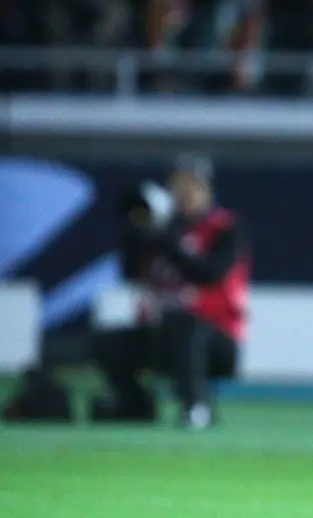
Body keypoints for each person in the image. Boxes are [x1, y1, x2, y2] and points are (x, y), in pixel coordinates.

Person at [90, 154, 251, 430]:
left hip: (216, 339)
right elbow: (129, 274)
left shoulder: (225, 228)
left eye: (193, 186)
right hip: (161, 334)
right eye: (178, 186)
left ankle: (196, 405)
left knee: (185, 326)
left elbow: (207, 274)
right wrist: (137, 233)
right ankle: (135, 404)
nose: (185, 194)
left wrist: (168, 239)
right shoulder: (156, 229)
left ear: (208, 191)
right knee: (107, 342)